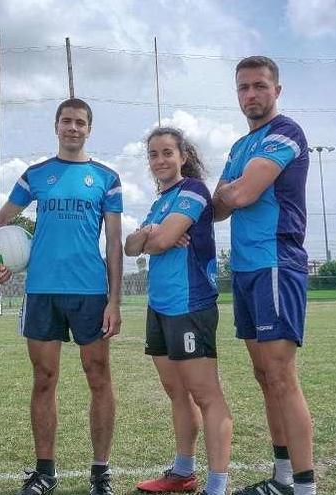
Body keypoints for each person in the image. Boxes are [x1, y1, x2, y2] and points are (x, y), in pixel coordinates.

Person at [0, 98, 123, 495]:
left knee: (98, 377)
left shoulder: (107, 178)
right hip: (42, 290)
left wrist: (114, 300)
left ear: (89, 128)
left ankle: (100, 472)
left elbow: (113, 242)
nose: (72, 128)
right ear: (56, 126)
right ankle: (45, 472)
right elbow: (4, 217)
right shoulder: (36, 175)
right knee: (44, 379)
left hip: (90, 293)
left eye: (80, 122)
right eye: (66, 121)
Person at [211, 56, 315, 495]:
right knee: (263, 374)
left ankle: (305, 486)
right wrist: (231, 192)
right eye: (243, 88)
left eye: (259, 86)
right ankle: (283, 477)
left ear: (277, 90)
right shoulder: (239, 147)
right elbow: (217, 206)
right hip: (246, 268)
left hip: (276, 263)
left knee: (280, 373)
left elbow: (243, 192)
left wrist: (234, 191)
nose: (250, 95)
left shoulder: (285, 132)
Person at [125, 128, 232, 495]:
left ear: (182, 155)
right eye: (153, 155)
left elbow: (163, 241)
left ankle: (217, 485)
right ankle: (183, 472)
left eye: (167, 152)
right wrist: (151, 232)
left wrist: (153, 237)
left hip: (191, 305)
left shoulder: (193, 191)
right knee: (176, 392)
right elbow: (130, 246)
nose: (160, 160)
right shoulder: (161, 201)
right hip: (160, 306)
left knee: (206, 394)